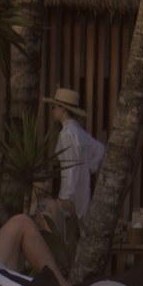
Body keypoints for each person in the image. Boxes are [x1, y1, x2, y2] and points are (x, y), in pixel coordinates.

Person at [48, 87, 104, 218]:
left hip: (70, 194)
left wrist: (66, 196)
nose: (53, 110)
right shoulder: (80, 132)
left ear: (62, 108)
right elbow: (100, 149)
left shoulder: (66, 134)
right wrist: (88, 167)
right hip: (83, 191)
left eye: (54, 107)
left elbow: (70, 167)